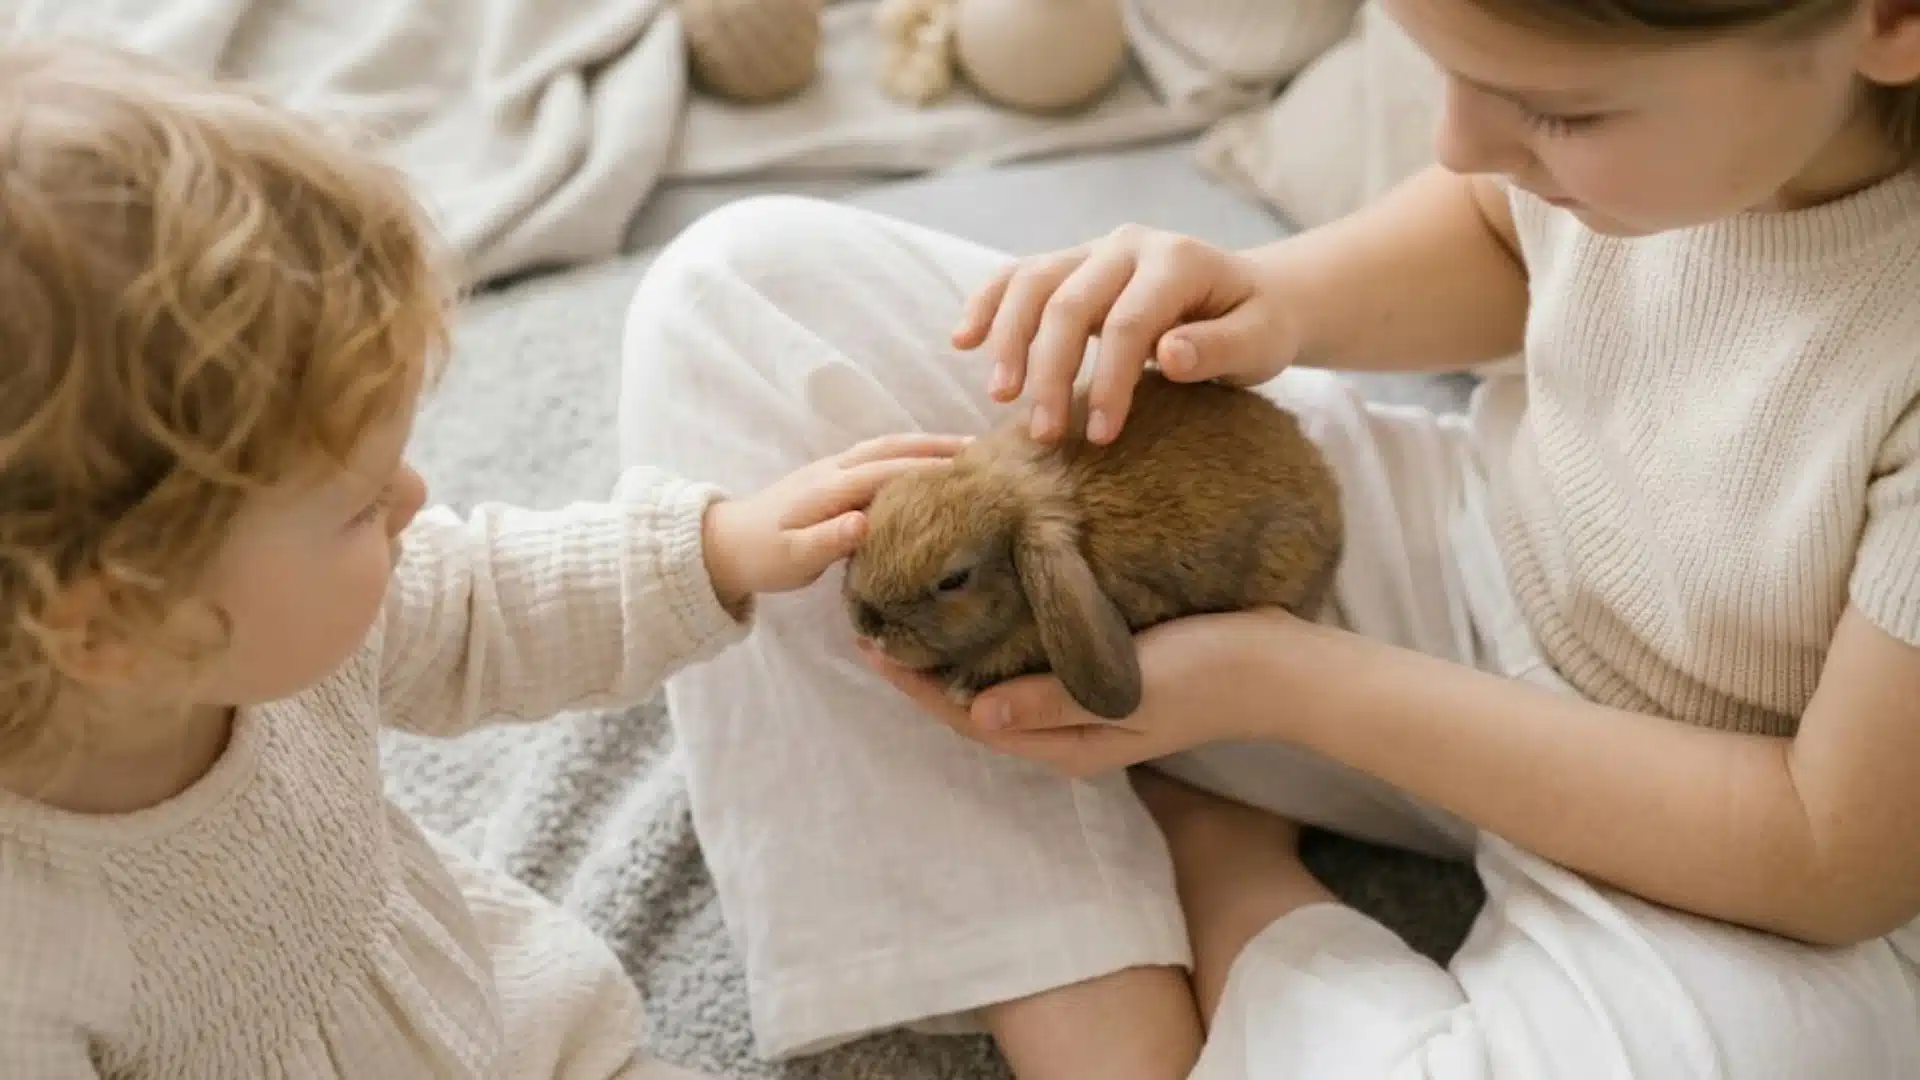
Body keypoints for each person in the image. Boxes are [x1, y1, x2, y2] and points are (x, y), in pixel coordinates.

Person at [616, 0, 1920, 1073]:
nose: (1457, 143)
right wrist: (1270, 301)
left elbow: (1826, 856)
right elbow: (1493, 232)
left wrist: (1278, 684)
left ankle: (1217, 863)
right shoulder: (1626, 128)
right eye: (1442, 76)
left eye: (1558, 112)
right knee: (734, 295)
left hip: (1727, 832)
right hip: (1459, 541)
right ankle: (1083, 986)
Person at [0, 40, 967, 1080]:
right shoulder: (30, 962)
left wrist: (719, 551)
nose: (416, 500)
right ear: (117, 624)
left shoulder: (282, 633)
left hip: (514, 1040)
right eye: (358, 507)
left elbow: (486, 604)